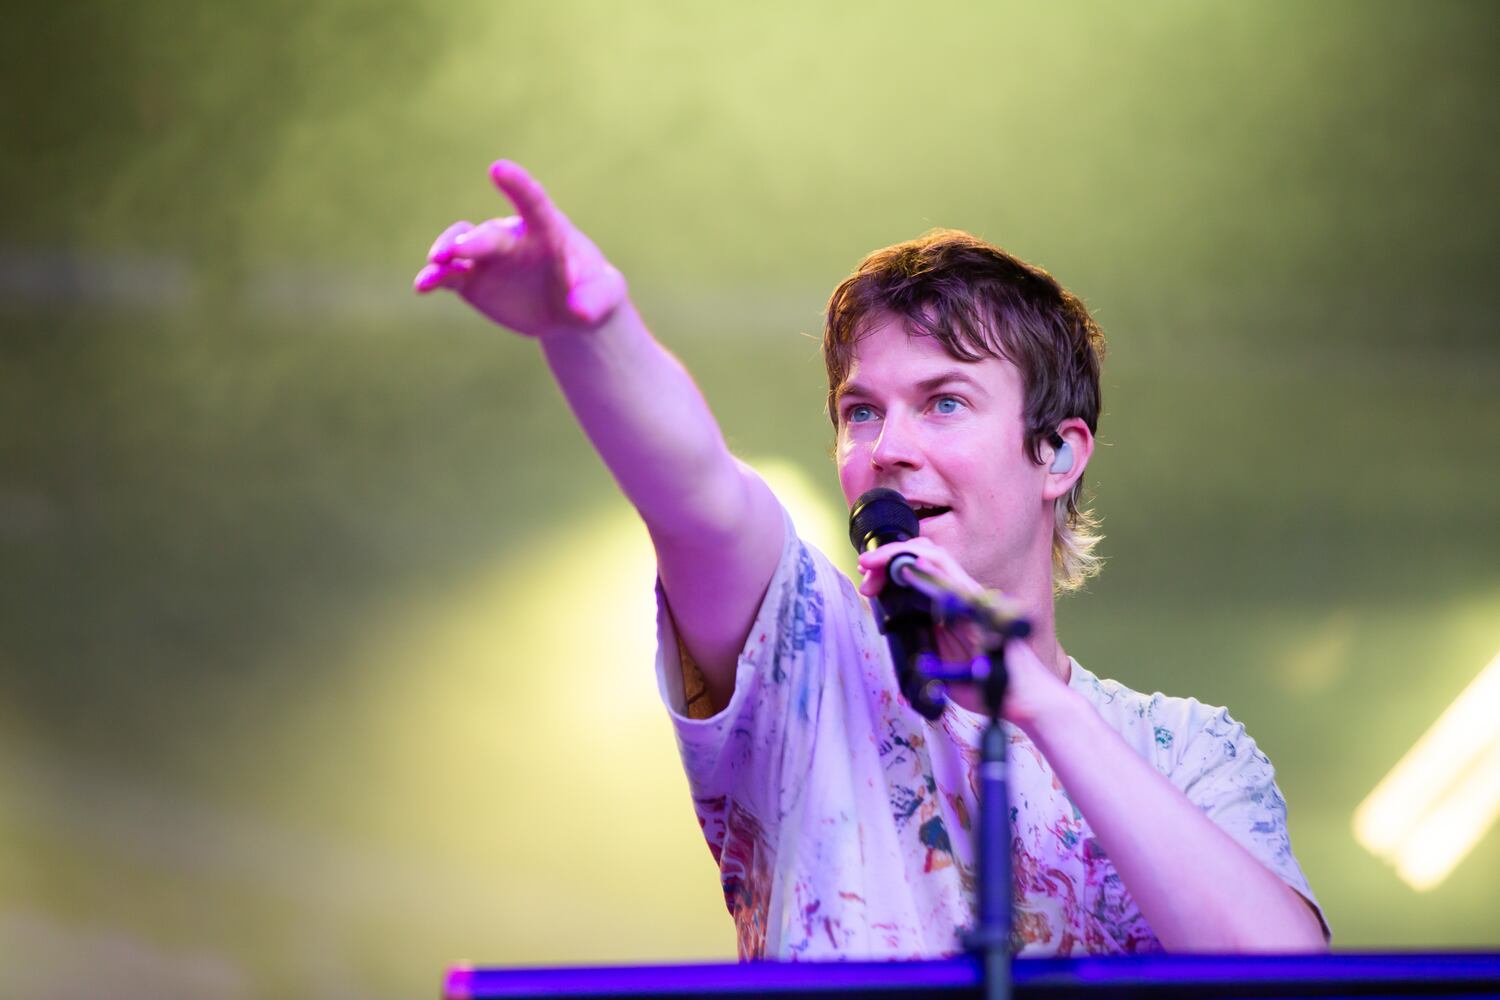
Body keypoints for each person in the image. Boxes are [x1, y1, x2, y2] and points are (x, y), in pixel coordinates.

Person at [415, 160, 1330, 959]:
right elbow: (697, 495)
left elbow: (1288, 975)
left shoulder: (1194, 752)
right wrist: (589, 328)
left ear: (1058, 452)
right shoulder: (806, 654)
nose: (887, 446)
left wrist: (1037, 702)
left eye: (944, 403)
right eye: (862, 412)